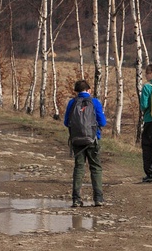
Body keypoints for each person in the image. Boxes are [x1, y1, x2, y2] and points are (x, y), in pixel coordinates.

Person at [63, 79, 107, 207]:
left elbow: (66, 123)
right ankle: (98, 198)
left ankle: (76, 199)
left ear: (76, 91)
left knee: (79, 168)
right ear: (89, 90)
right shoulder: (94, 102)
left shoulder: (72, 102)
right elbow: (103, 123)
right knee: (96, 168)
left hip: (77, 140)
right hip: (93, 139)